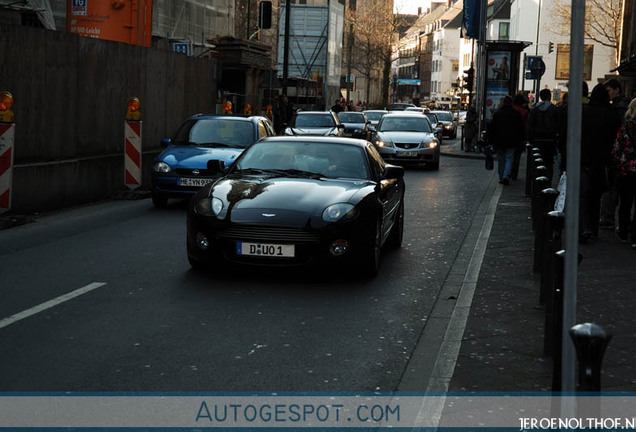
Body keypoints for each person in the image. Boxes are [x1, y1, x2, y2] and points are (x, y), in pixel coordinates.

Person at [578, 83, 621, 242]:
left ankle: (583, 227)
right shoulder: (611, 114)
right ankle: (593, 227)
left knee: (583, 195)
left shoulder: (584, 112)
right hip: (602, 161)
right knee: (596, 196)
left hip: (584, 158)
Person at [599, 78, 632, 229]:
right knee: (624, 193)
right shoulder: (623, 105)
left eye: (609, 90)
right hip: (626, 157)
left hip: (618, 155)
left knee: (613, 187)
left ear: (617, 89)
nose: (608, 94)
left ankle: (609, 218)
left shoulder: (616, 108)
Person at [611, 98, 636, 248]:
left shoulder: (625, 127)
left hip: (626, 170)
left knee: (625, 202)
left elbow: (616, 149)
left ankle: (623, 231)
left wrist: (618, 164)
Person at [487, 95, 524, 185]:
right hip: (512, 140)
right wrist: (520, 140)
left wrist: (491, 140)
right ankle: (506, 175)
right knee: (509, 157)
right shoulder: (516, 113)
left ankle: (501, 176)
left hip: (500, 140)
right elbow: (520, 128)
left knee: (501, 158)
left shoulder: (498, 113)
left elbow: (492, 128)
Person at [528, 88, 558, 180]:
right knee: (549, 162)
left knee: (537, 162)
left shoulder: (534, 110)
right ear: (549, 96)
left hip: (536, 139)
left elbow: (530, 125)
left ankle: (537, 182)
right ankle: (547, 182)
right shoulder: (554, 109)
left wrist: (530, 138)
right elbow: (557, 124)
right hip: (550, 140)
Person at [512, 92, 529, 180]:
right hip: (520, 136)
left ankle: (508, 172)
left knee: (509, 155)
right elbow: (526, 125)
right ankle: (514, 173)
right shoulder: (524, 111)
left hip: (511, 135)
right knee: (517, 156)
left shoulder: (511, 109)